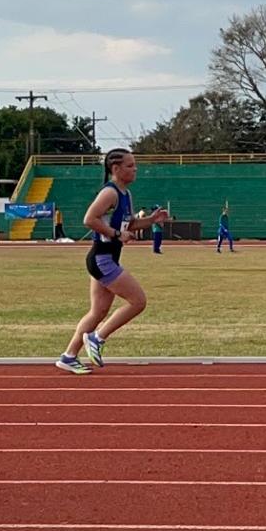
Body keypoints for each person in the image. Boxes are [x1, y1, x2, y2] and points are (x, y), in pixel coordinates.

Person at [55, 149, 168, 374]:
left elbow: (130, 224)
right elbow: (89, 219)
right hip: (102, 258)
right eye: (130, 165)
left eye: (135, 165)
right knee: (138, 301)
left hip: (106, 257)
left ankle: (69, 356)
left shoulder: (125, 195)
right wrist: (117, 235)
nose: (135, 169)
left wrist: (151, 220)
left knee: (97, 312)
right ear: (115, 169)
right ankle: (98, 337)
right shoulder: (110, 193)